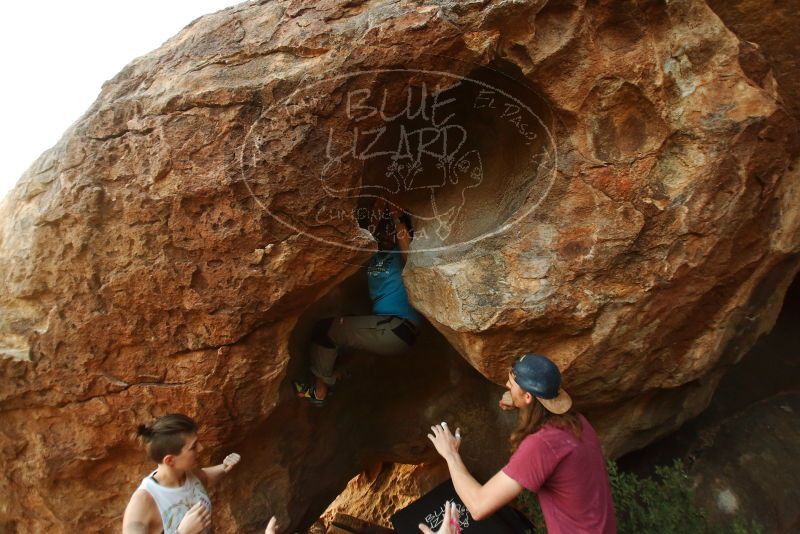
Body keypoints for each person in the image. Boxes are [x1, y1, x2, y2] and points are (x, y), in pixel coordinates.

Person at [427, 354, 617, 534]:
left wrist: (450, 455)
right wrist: (518, 401)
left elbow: (478, 506)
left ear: (528, 397)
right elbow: (537, 408)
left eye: (510, 386)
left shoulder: (542, 445)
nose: (507, 387)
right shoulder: (577, 421)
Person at [293, 198, 422, 406]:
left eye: (389, 230)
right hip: (387, 328)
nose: (385, 233)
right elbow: (368, 234)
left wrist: (397, 218)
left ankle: (320, 391)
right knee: (342, 333)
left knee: (326, 330)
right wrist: (379, 211)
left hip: (398, 327)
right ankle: (338, 374)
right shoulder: (372, 256)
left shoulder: (399, 253)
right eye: (384, 229)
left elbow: (410, 257)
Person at [122, 413, 241, 534]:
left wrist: (224, 467)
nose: (201, 448)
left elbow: (204, 477)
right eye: (193, 447)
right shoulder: (143, 501)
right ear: (169, 460)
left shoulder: (188, 475)